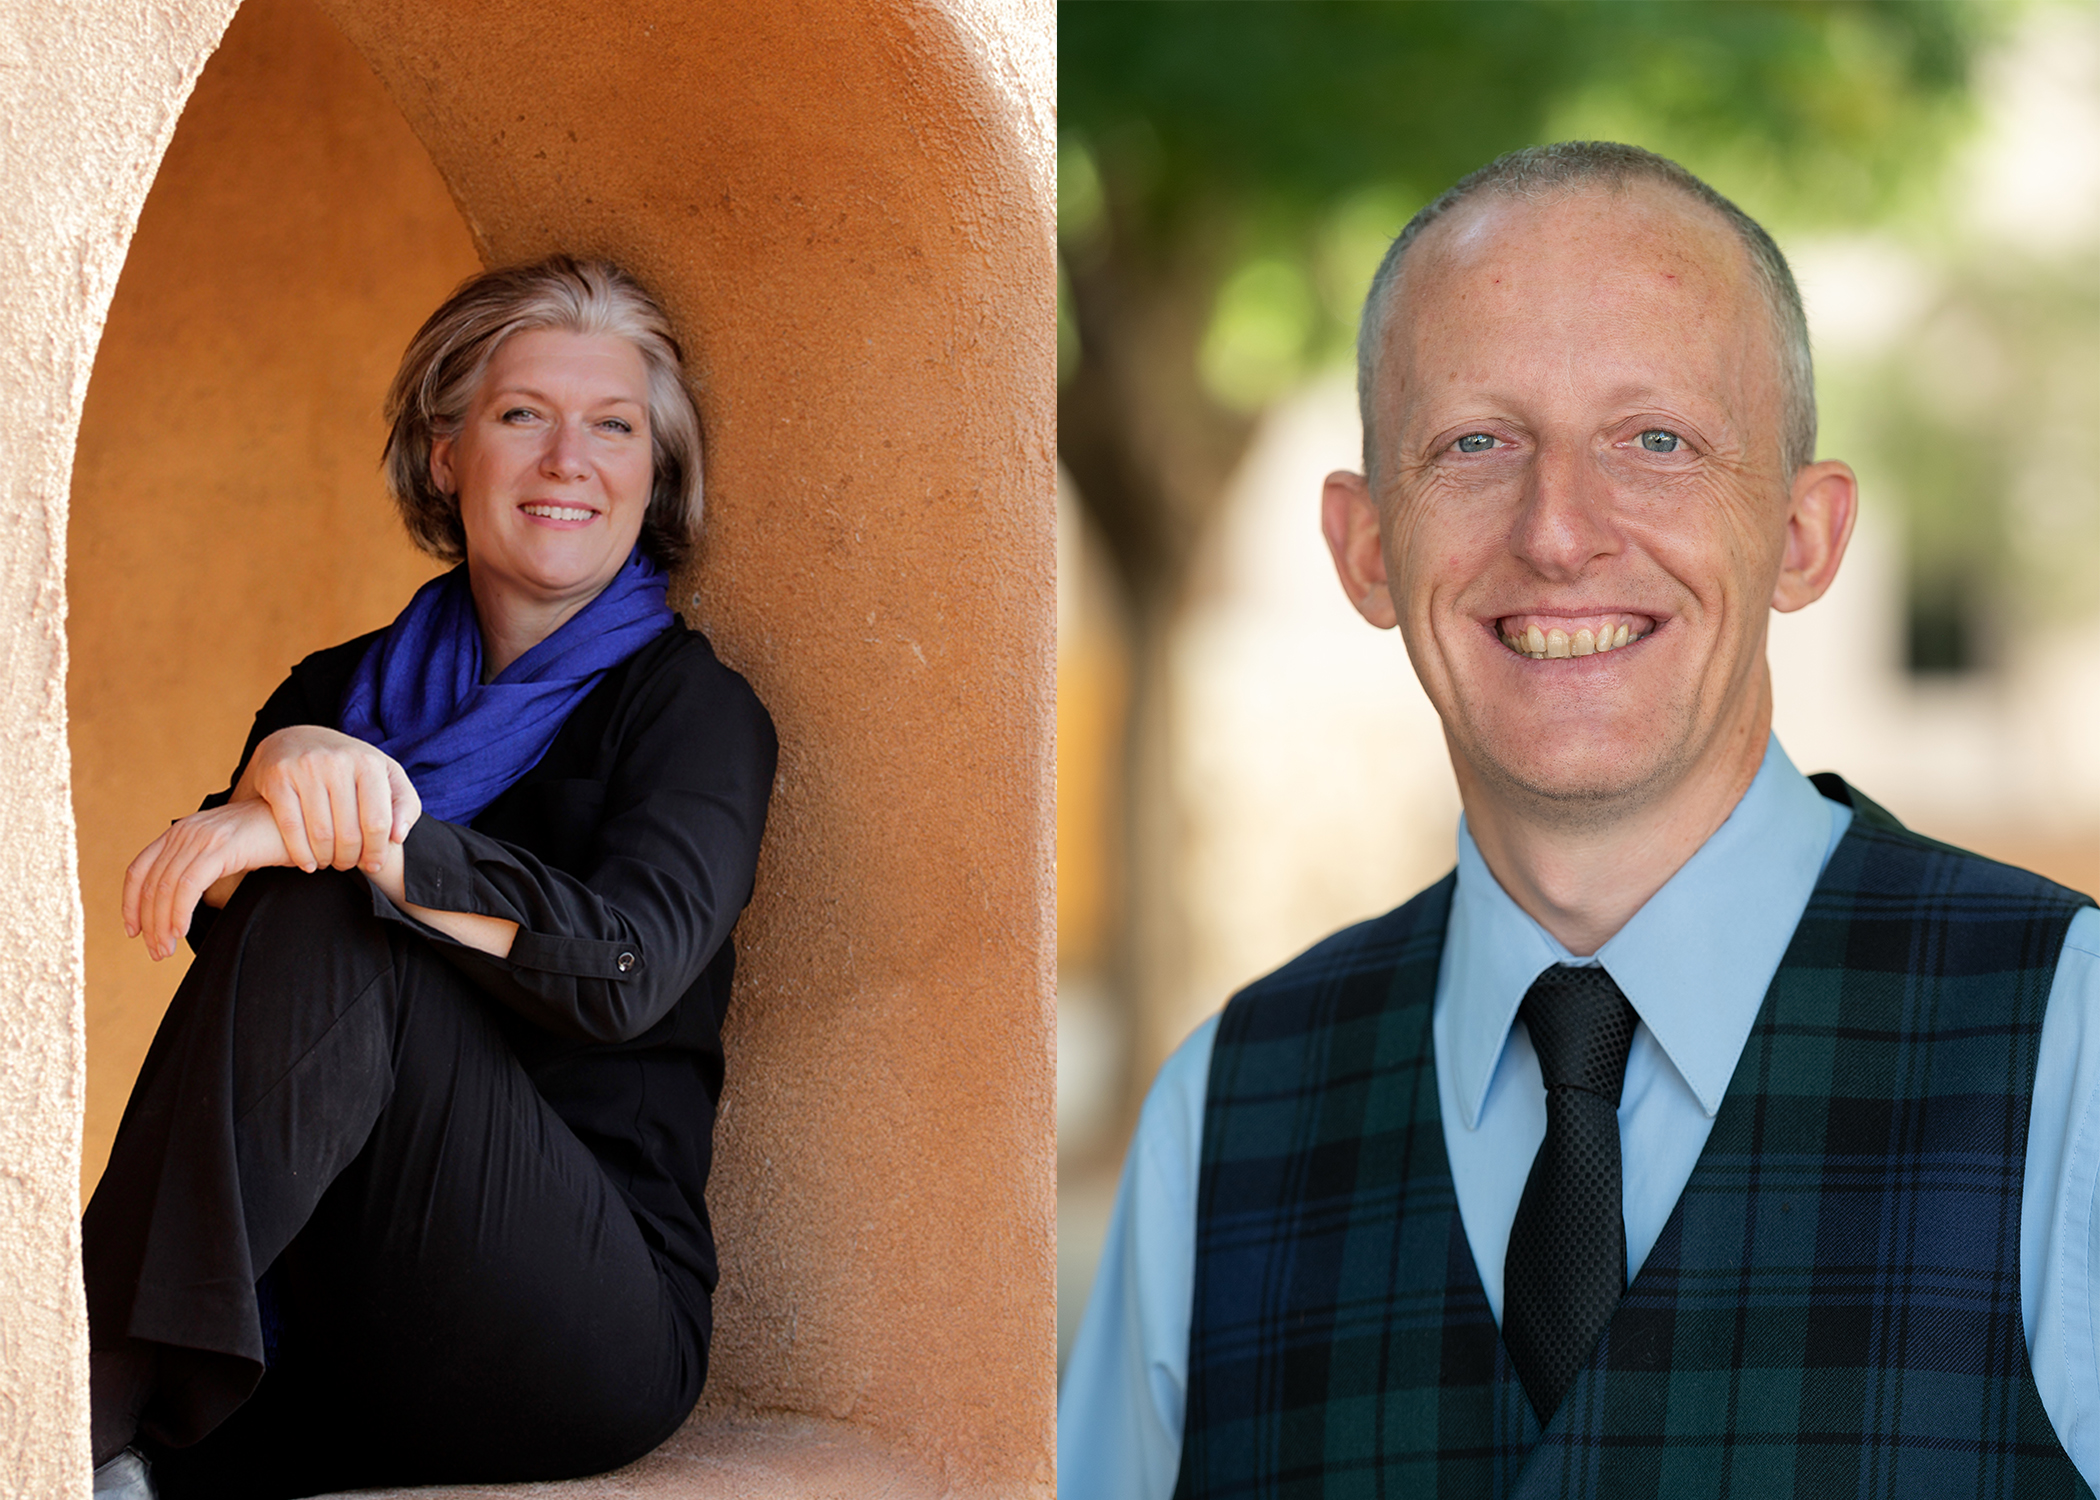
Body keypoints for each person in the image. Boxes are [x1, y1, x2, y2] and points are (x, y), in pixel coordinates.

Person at [1059, 142, 2100, 1497]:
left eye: (1657, 441)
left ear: (1803, 536)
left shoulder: (2071, 1048)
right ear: (1367, 546)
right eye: (1476, 444)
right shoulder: (1224, 1114)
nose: (1558, 531)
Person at [83, 257, 777, 1500]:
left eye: (614, 427)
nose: (570, 459)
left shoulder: (692, 711)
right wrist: (288, 769)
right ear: (448, 452)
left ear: (653, 475)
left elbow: (628, 967)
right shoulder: (341, 693)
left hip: (578, 1329)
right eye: (523, 415)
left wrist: (366, 836)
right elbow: (219, 930)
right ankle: (103, 1417)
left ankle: (67, 1416)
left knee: (329, 892)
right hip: (346, 1328)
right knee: (306, 898)